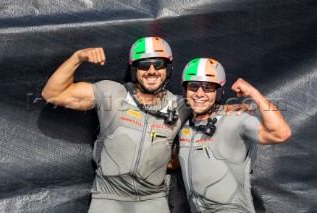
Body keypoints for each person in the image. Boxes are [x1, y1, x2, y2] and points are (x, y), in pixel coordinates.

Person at [42, 36, 192, 213]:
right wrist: (77, 57)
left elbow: (221, 113)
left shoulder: (181, 106)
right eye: (144, 65)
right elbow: (53, 93)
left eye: (158, 64)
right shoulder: (112, 94)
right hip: (107, 199)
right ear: (134, 69)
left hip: (153, 200)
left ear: (168, 69)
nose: (152, 71)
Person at [176, 58, 292, 213]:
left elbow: (281, 134)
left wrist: (253, 93)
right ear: (185, 90)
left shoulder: (234, 120)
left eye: (208, 87)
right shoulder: (185, 125)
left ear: (218, 91)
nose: (199, 93)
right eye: (193, 86)